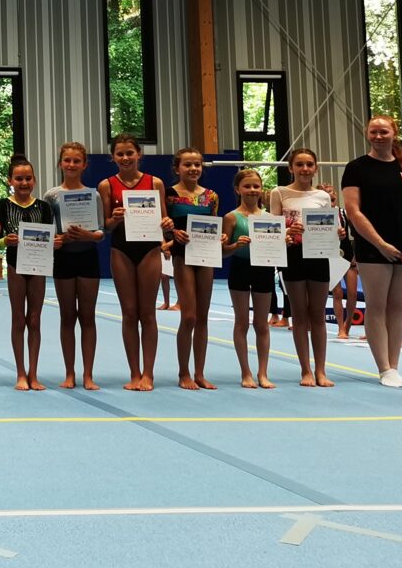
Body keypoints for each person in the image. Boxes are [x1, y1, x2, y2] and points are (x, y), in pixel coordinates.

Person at [341, 115, 402, 388]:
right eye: (373, 132)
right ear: (367, 134)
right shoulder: (357, 168)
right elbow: (354, 211)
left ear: (394, 133)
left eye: (384, 132)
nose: (378, 137)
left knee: (398, 308)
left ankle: (395, 365)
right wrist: (379, 243)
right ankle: (384, 368)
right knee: (377, 307)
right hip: (373, 246)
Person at [100, 134, 172, 391]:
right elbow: (106, 227)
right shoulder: (107, 185)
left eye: (130, 152)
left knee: (148, 313)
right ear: (113, 157)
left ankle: (148, 373)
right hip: (121, 250)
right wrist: (116, 219)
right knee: (129, 313)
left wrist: (167, 225)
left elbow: (165, 219)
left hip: (149, 250)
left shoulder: (155, 183)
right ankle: (134, 372)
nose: (125, 158)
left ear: (139, 154)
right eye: (120, 153)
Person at [271, 147, 343, 388]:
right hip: (293, 256)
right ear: (291, 167)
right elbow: (273, 228)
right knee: (300, 314)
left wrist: (339, 233)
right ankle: (305, 370)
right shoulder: (279, 193)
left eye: (309, 164)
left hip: (319, 255)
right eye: (299, 164)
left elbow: (330, 227)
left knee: (318, 314)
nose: (304, 169)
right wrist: (286, 233)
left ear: (315, 168)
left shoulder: (322, 197)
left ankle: (321, 370)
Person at [0, 156, 54, 391]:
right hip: (16, 265)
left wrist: (55, 242)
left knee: (35, 319)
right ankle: (20, 372)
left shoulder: (43, 207)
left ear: (34, 180)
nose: (24, 183)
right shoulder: (2, 205)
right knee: (19, 318)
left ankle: (34, 373)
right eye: (19, 178)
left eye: (28, 178)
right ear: (10, 180)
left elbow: (50, 236)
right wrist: (3, 240)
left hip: (38, 267)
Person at [45, 142, 103, 391]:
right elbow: (47, 232)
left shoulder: (94, 194)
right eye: (67, 160)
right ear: (60, 163)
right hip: (64, 260)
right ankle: (69, 372)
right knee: (67, 317)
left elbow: (100, 231)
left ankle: (88, 374)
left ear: (84, 164)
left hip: (88, 257)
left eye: (76, 161)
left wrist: (86, 236)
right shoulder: (51, 195)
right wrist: (58, 239)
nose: (71, 165)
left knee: (87, 317)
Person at [166, 148, 219, 390]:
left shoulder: (211, 196)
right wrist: (172, 233)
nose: (193, 169)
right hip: (182, 255)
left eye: (197, 164)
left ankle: (200, 372)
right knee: (189, 315)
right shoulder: (169, 195)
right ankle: (183, 372)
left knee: (203, 317)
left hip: (205, 256)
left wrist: (220, 237)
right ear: (177, 168)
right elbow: (163, 226)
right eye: (187, 164)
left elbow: (213, 225)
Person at [222, 168, 274, 389]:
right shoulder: (231, 217)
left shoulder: (271, 219)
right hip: (240, 268)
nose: (252, 190)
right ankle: (246, 372)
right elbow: (223, 251)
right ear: (238, 189)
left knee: (262, 323)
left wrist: (284, 242)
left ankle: (263, 372)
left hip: (264, 269)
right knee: (242, 322)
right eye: (247, 186)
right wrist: (236, 245)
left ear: (261, 189)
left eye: (256, 186)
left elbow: (276, 248)